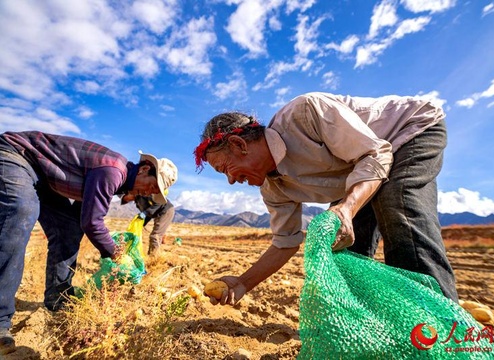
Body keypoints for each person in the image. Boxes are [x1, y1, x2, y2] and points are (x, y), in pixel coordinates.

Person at [193, 92, 459, 307]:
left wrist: (347, 207)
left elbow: (375, 155)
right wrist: (242, 283)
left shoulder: (305, 113)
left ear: (240, 145)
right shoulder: (273, 189)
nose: (230, 180)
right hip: (360, 171)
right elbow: (285, 243)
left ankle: (442, 326)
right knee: (344, 247)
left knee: (398, 209)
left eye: (224, 168)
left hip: (406, 132)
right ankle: (370, 321)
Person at [0, 130, 178, 355]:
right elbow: (92, 222)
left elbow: (81, 217)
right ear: (144, 169)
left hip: (43, 177)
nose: (148, 193)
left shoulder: (118, 178)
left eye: (154, 193)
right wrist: (115, 253)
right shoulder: (113, 171)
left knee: (68, 230)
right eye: (152, 186)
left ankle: (58, 298)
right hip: (18, 155)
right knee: (20, 214)